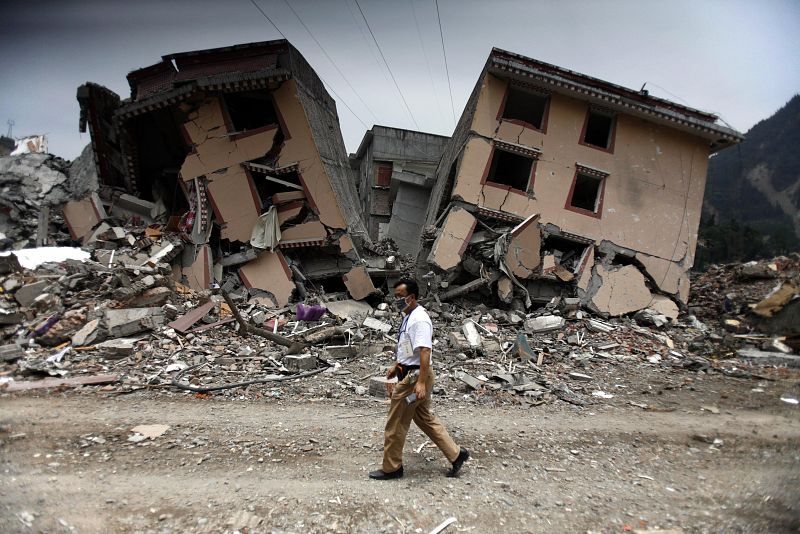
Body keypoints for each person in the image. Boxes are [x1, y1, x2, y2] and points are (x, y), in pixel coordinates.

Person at [369, 278, 469, 480]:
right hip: (411, 372)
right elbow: (411, 351)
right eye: (394, 296)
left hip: (414, 379)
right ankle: (456, 454)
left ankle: (392, 467)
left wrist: (421, 383)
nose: (395, 301)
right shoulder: (409, 316)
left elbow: (424, 351)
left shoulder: (419, 319)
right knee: (423, 416)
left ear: (411, 297)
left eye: (399, 297)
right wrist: (396, 366)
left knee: (396, 422)